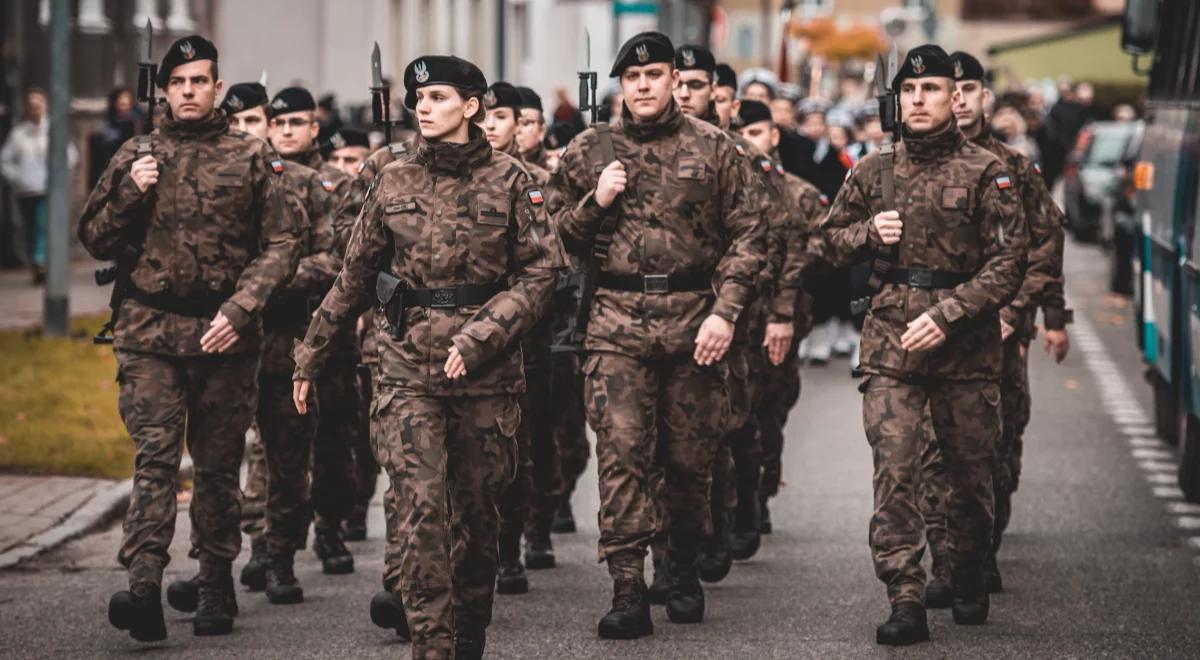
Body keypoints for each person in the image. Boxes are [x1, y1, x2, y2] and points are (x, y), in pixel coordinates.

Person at [291, 54, 564, 659]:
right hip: (405, 367)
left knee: (476, 515)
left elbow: (545, 275)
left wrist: (481, 335)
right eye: (419, 97)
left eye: (439, 97)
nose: (424, 106)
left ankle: (468, 630)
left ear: (471, 107)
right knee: (419, 515)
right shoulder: (391, 178)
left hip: (486, 375)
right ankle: (432, 645)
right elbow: (354, 275)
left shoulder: (514, 180)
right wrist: (310, 351)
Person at [78, 35, 300, 641]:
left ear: (216, 87)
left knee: (218, 464)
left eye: (199, 81)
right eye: (178, 83)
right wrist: (129, 191)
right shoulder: (136, 154)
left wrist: (244, 305)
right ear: (164, 90)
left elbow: (282, 244)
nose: (188, 92)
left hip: (223, 334)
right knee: (154, 458)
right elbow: (93, 236)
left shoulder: (252, 157)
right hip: (148, 330)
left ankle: (213, 581)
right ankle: (144, 585)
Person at [547, 31, 766, 638]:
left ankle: (681, 566)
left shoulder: (716, 149)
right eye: (632, 78)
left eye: (655, 76)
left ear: (676, 80)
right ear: (621, 85)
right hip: (615, 319)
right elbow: (550, 235)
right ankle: (626, 588)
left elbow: (751, 235)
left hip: (695, 318)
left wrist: (726, 311)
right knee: (621, 456)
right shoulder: (589, 150)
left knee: (690, 460)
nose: (643, 87)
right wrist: (596, 200)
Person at [820, 44, 1026, 646]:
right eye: (910, 91)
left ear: (954, 98)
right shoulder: (874, 169)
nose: (919, 100)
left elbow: (1009, 263)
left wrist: (951, 312)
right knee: (896, 469)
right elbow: (823, 244)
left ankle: (964, 571)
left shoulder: (989, 172)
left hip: (964, 347)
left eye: (932, 90)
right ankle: (904, 595)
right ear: (898, 99)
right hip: (891, 343)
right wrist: (866, 232)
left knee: (968, 474)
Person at [917, 50, 1071, 605]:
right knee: (933, 448)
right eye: (945, 88)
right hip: (938, 331)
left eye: (966, 90)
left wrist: (1030, 313)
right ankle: (947, 562)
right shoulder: (913, 160)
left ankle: (981, 548)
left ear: (984, 98)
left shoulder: (1013, 167)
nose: (955, 99)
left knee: (995, 446)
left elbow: (1043, 245)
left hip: (1001, 333)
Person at [267, 86, 359, 579]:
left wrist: (268, 277)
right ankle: (277, 549)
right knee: (279, 444)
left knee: (332, 438)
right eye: (278, 123)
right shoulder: (258, 178)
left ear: (313, 127)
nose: (286, 132)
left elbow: (341, 258)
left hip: (325, 332)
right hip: (269, 334)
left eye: (295, 123)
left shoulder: (336, 185)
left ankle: (330, 526)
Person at [734, 99, 827, 542]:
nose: (747, 143)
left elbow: (814, 253)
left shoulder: (799, 194)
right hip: (731, 319)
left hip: (777, 319)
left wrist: (784, 311)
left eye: (755, 133)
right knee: (731, 415)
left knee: (769, 411)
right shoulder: (725, 190)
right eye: (740, 134)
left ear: (773, 136)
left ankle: (761, 491)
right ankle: (737, 499)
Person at [480, 80, 558, 596]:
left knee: (523, 443)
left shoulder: (539, 183)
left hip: (528, 334)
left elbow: (554, 259)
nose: (490, 125)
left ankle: (515, 544)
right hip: (466, 334)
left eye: (502, 116)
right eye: (483, 114)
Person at [1, 88, 76, 283]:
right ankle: (36, 263)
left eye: (38, 104)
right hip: (25, 190)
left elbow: (70, 156)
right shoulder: (19, 133)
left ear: (45, 106)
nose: (35, 109)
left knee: (43, 226)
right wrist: (18, 178)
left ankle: (41, 261)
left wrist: (58, 177)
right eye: (31, 105)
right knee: (29, 227)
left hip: (47, 188)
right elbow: (5, 161)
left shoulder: (53, 130)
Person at [515, 86, 550, 170]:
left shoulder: (555, 174)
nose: (517, 130)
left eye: (525, 123)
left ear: (542, 130)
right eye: (514, 123)